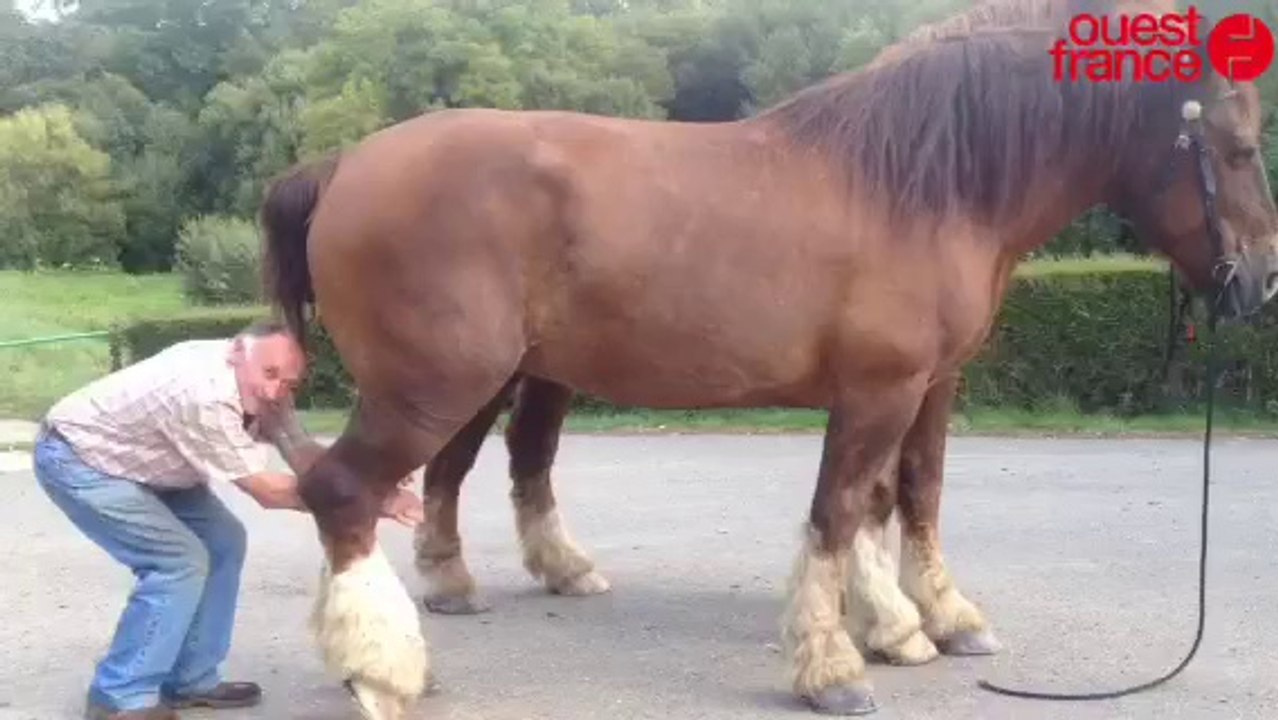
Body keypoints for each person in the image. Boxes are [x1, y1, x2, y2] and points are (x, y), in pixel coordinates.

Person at [31, 320, 424, 720]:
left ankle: (191, 680)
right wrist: (374, 498)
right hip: (83, 460)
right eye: (269, 375)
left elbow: (302, 452)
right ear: (237, 352)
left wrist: (372, 478)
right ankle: (120, 698)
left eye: (288, 383)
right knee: (178, 562)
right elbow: (268, 491)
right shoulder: (205, 395)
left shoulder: (263, 383)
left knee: (224, 542)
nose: (275, 392)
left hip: (150, 464)